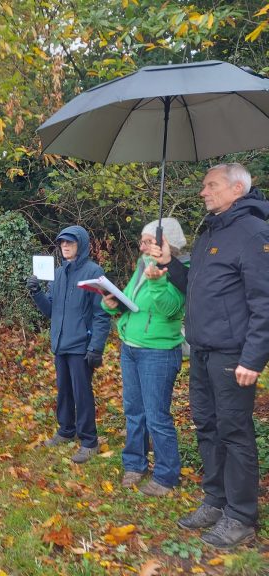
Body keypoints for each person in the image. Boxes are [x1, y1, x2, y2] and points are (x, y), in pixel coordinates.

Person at [149, 163, 269, 548]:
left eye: (210, 185)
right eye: (203, 186)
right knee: (207, 427)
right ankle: (215, 501)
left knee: (234, 433)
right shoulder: (210, 233)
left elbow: (264, 302)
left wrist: (253, 358)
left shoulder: (253, 233)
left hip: (232, 355)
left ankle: (241, 516)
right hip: (201, 351)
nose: (203, 192)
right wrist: (170, 264)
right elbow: (193, 288)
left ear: (237, 188)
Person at [101, 218, 187, 497]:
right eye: (142, 240)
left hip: (158, 353)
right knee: (133, 410)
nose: (142, 246)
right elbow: (130, 303)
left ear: (167, 244)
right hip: (131, 348)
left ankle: (166, 475)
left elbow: (171, 309)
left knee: (156, 416)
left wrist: (158, 283)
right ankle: (134, 464)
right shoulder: (141, 266)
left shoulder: (182, 271)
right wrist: (111, 304)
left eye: (148, 241)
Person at [26, 225, 110, 464]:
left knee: (82, 393)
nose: (65, 246)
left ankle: (89, 440)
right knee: (64, 389)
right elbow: (50, 310)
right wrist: (36, 293)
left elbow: (101, 313)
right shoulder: (59, 274)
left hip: (81, 345)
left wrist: (96, 346)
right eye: (62, 243)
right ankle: (66, 430)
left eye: (70, 243)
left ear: (81, 245)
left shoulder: (94, 272)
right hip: (60, 343)